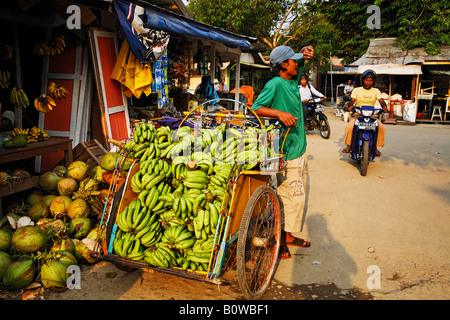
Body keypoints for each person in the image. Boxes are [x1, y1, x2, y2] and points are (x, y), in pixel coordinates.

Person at [251, 45, 314, 259]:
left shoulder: (293, 80)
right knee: (290, 197)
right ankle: (279, 238)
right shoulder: (275, 83)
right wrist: (279, 113)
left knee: (296, 197)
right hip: (285, 150)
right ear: (284, 65)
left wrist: (305, 52)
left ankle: (286, 235)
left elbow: (302, 61)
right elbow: (256, 107)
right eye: (294, 61)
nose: (298, 64)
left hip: (299, 146)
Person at [342, 69, 388, 155]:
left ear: (373, 82)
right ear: (363, 80)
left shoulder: (376, 91)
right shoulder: (356, 90)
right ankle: (349, 145)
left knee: (381, 128)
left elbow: (381, 101)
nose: (368, 82)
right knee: (350, 128)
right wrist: (350, 106)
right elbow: (352, 100)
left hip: (371, 115)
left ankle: (375, 147)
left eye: (371, 81)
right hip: (358, 114)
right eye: (367, 80)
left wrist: (384, 107)